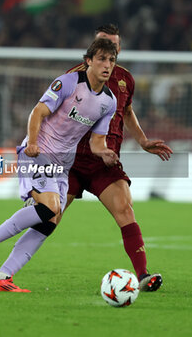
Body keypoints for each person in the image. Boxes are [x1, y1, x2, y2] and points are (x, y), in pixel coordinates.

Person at [0, 38, 119, 292]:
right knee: (49, 207)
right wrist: (31, 142)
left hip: (63, 164)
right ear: (89, 61)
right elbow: (37, 111)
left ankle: (1, 277)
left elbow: (96, 142)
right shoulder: (69, 82)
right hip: (39, 151)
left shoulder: (109, 102)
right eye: (102, 59)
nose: (107, 65)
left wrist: (104, 153)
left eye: (112, 60)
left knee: (50, 221)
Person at [64, 24, 173, 291]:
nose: (109, 50)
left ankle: (143, 274)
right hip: (73, 161)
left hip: (106, 163)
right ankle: (0, 257)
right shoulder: (73, 77)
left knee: (125, 209)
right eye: (103, 43)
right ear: (91, 49)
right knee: (46, 217)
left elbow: (126, 112)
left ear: (119, 49)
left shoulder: (125, 79)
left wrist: (143, 140)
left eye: (114, 45)